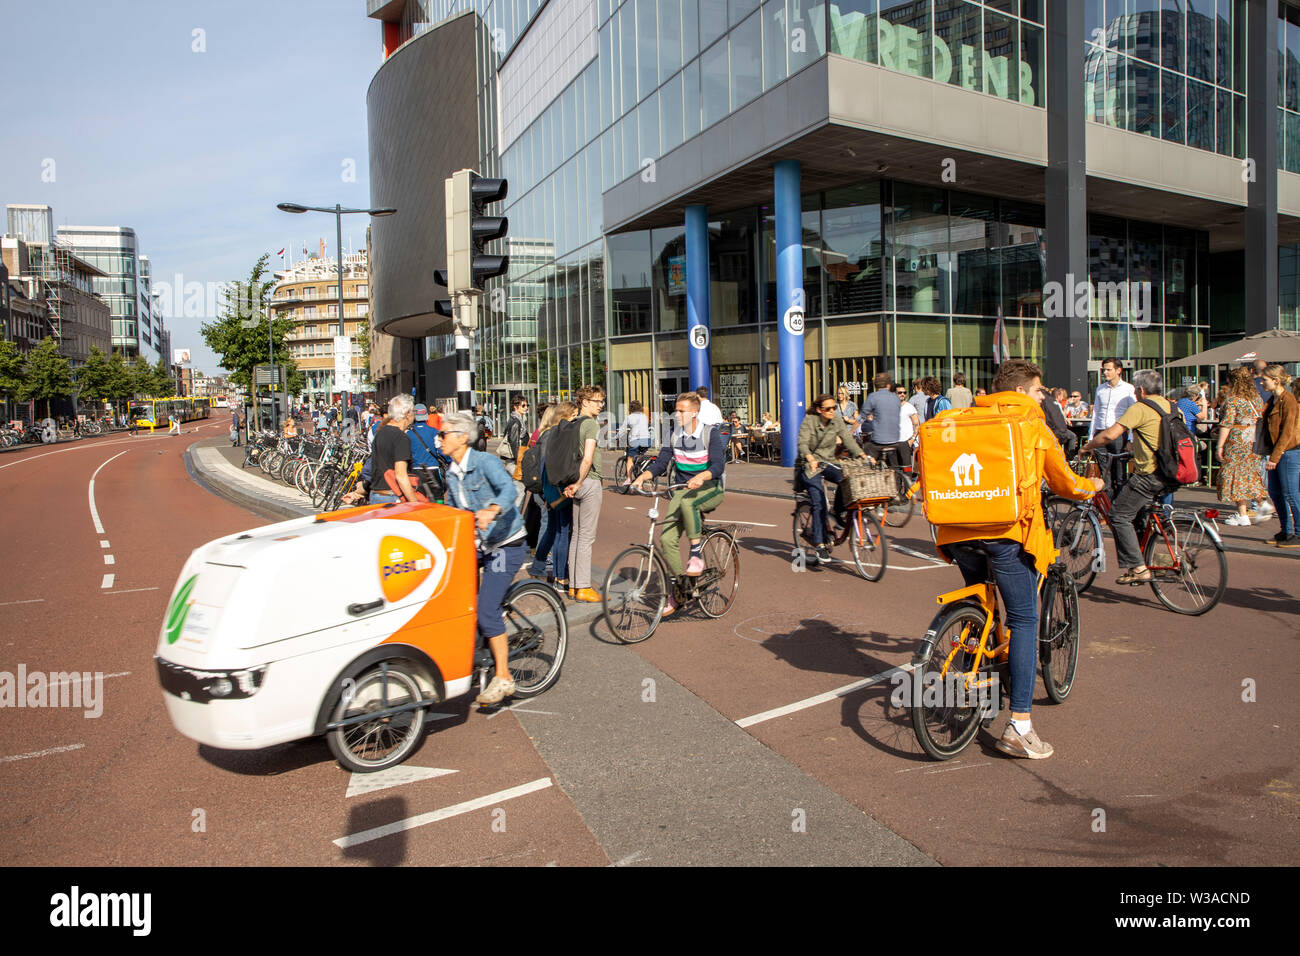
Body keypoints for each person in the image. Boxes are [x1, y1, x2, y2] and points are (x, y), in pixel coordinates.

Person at [926, 358, 1101, 760]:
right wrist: (1089, 485)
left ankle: (972, 686)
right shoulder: (1030, 424)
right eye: (1040, 391)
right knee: (1024, 617)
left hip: (955, 530)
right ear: (1021, 391)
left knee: (979, 601)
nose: (1042, 397)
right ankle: (1020, 725)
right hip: (1005, 532)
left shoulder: (962, 418)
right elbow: (1063, 481)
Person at [439, 410, 528, 706]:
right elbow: (453, 513)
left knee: (487, 608)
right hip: (478, 545)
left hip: (505, 544)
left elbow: (509, 490)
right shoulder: (451, 472)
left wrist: (491, 509)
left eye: (444, 434)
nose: (439, 439)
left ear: (462, 438)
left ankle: (504, 676)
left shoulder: (485, 462)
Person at [633, 391, 728, 615]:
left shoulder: (709, 433)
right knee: (666, 540)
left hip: (709, 488)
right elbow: (661, 463)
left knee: (688, 504)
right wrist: (643, 476)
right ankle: (682, 590)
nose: (676, 414)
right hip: (682, 490)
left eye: (681, 410)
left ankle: (696, 555)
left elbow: (718, 466)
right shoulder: (673, 433)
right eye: (675, 410)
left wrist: (701, 477)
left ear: (694, 412)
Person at [1082, 368, 1177, 585]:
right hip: (1172, 472)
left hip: (1149, 474)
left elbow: (1108, 434)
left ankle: (1138, 568)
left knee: (1118, 516)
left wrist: (1087, 446)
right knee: (1141, 514)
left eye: (1136, 389)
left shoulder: (1141, 407)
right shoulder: (1169, 405)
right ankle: (1153, 556)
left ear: (1141, 390)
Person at [796, 392, 870, 562]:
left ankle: (837, 511)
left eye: (834, 408)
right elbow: (802, 443)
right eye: (828, 409)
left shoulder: (836, 420)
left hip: (829, 462)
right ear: (819, 410)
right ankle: (820, 543)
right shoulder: (810, 421)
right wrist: (810, 458)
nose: (832, 411)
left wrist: (863, 455)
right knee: (818, 500)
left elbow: (847, 439)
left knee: (846, 480)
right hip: (810, 466)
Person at [563, 385, 606, 602]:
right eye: (596, 401)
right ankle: (584, 587)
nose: (601, 405)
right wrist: (579, 482)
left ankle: (573, 585)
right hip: (588, 482)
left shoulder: (572, 422)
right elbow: (588, 458)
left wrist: (573, 483)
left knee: (577, 535)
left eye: (601, 401)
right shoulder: (590, 424)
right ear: (585, 402)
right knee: (587, 537)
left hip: (573, 480)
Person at [528, 402, 577, 586]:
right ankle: (559, 574)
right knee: (559, 531)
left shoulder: (546, 434)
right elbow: (549, 465)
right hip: (553, 490)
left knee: (552, 530)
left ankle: (539, 567)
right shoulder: (554, 435)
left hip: (548, 490)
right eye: (573, 415)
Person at [1214, 366, 1269, 527]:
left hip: (1237, 441)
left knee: (1233, 475)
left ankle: (1243, 514)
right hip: (1253, 440)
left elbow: (1227, 424)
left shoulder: (1233, 400)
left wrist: (1220, 446)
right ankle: (1259, 505)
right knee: (1249, 474)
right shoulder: (1257, 399)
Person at [1259, 365, 1300, 547]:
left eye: (1265, 379)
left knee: (1290, 493)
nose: (1262, 382)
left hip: (1289, 451)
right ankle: (1286, 531)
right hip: (1277, 450)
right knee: (1275, 492)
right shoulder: (1273, 399)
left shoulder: (1288, 401)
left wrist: (1275, 457)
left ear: (1276, 381)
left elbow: (1287, 432)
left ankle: (1298, 533)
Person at [1089, 358, 1136, 492]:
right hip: (1101, 433)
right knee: (1104, 473)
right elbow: (1096, 413)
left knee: (1120, 472)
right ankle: (1107, 507)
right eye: (1104, 370)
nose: (1105, 372)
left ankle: (1119, 506)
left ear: (1118, 370)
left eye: (1109, 369)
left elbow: (1133, 415)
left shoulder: (1128, 389)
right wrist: (1091, 437)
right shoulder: (1100, 389)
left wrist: (1130, 439)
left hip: (1118, 434)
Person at [368, 394, 418, 504]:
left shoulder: (380, 432)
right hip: (392, 496)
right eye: (413, 412)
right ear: (407, 414)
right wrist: (414, 503)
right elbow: (401, 475)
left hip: (376, 495)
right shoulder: (401, 437)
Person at [862, 372, 909, 466]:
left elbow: (861, 416)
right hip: (896, 439)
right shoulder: (896, 398)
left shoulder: (873, 397)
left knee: (865, 449)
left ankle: (873, 469)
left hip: (879, 442)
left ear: (875, 384)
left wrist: (851, 432)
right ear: (888, 385)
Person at [618, 400, 652, 484]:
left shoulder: (629, 417)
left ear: (630, 408)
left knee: (630, 458)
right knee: (639, 456)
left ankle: (629, 479)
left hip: (635, 440)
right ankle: (640, 470)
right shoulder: (644, 416)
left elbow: (622, 430)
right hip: (647, 440)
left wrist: (616, 437)